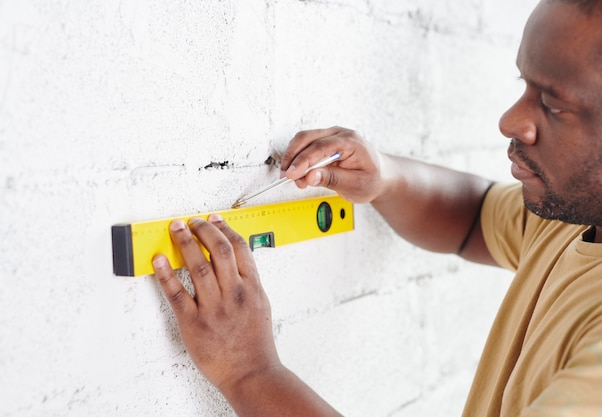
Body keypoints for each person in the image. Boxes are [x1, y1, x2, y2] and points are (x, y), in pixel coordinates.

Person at [150, 0, 602, 415]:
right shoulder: (571, 219)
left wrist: (249, 372)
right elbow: (474, 217)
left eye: (551, 104)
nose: (511, 121)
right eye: (523, 85)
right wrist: (384, 177)